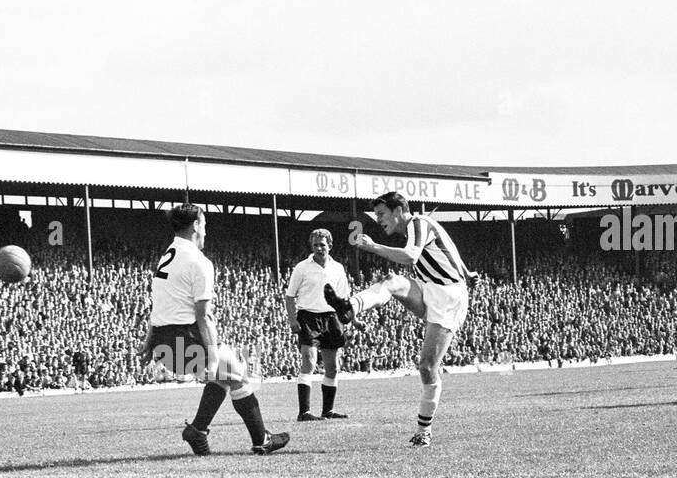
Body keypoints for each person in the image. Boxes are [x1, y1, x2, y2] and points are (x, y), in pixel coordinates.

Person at [323, 191, 472, 447]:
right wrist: (469, 273)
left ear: (398, 210)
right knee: (391, 281)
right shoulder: (417, 228)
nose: (378, 219)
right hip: (429, 289)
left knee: (427, 367)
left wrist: (372, 247)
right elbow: (450, 251)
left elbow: (411, 256)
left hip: (449, 297)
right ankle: (351, 307)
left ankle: (424, 430)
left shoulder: (419, 223)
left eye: (381, 213)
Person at [140, 203, 288, 456]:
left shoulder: (166, 257)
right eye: (205, 225)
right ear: (196, 225)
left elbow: (158, 305)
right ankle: (261, 439)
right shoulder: (199, 261)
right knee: (239, 374)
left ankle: (197, 430)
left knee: (223, 377)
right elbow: (203, 316)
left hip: (164, 345)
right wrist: (211, 355)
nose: (206, 231)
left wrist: (148, 342)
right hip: (184, 340)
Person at [284, 228, 351, 421]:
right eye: (315, 245)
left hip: (331, 318)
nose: (319, 248)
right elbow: (290, 297)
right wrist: (292, 319)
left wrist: (353, 319)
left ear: (330, 245)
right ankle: (304, 412)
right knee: (309, 362)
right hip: (308, 317)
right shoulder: (302, 267)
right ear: (311, 246)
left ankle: (327, 411)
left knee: (332, 368)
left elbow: (344, 298)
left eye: (322, 245)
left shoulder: (338, 268)